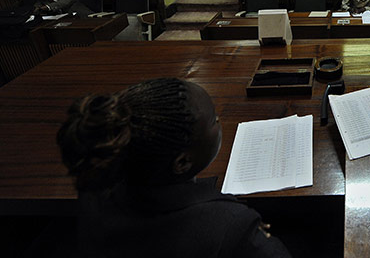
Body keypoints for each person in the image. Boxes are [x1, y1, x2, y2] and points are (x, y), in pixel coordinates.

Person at [57, 78, 290, 257]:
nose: (219, 121)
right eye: (214, 120)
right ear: (181, 163)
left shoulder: (95, 184)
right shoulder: (231, 224)